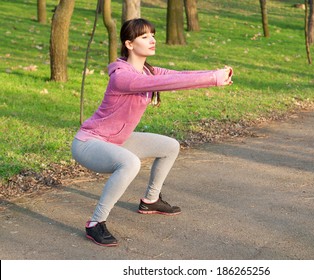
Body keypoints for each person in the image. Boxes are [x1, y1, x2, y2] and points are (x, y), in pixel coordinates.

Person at [71, 18, 233, 247]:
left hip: (116, 140)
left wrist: (215, 74)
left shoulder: (148, 71)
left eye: (153, 35)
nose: (152, 40)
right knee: (130, 163)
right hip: (89, 143)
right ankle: (95, 223)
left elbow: (178, 76)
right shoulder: (123, 76)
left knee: (170, 146)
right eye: (145, 36)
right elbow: (168, 83)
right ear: (129, 44)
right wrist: (212, 79)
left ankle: (150, 200)